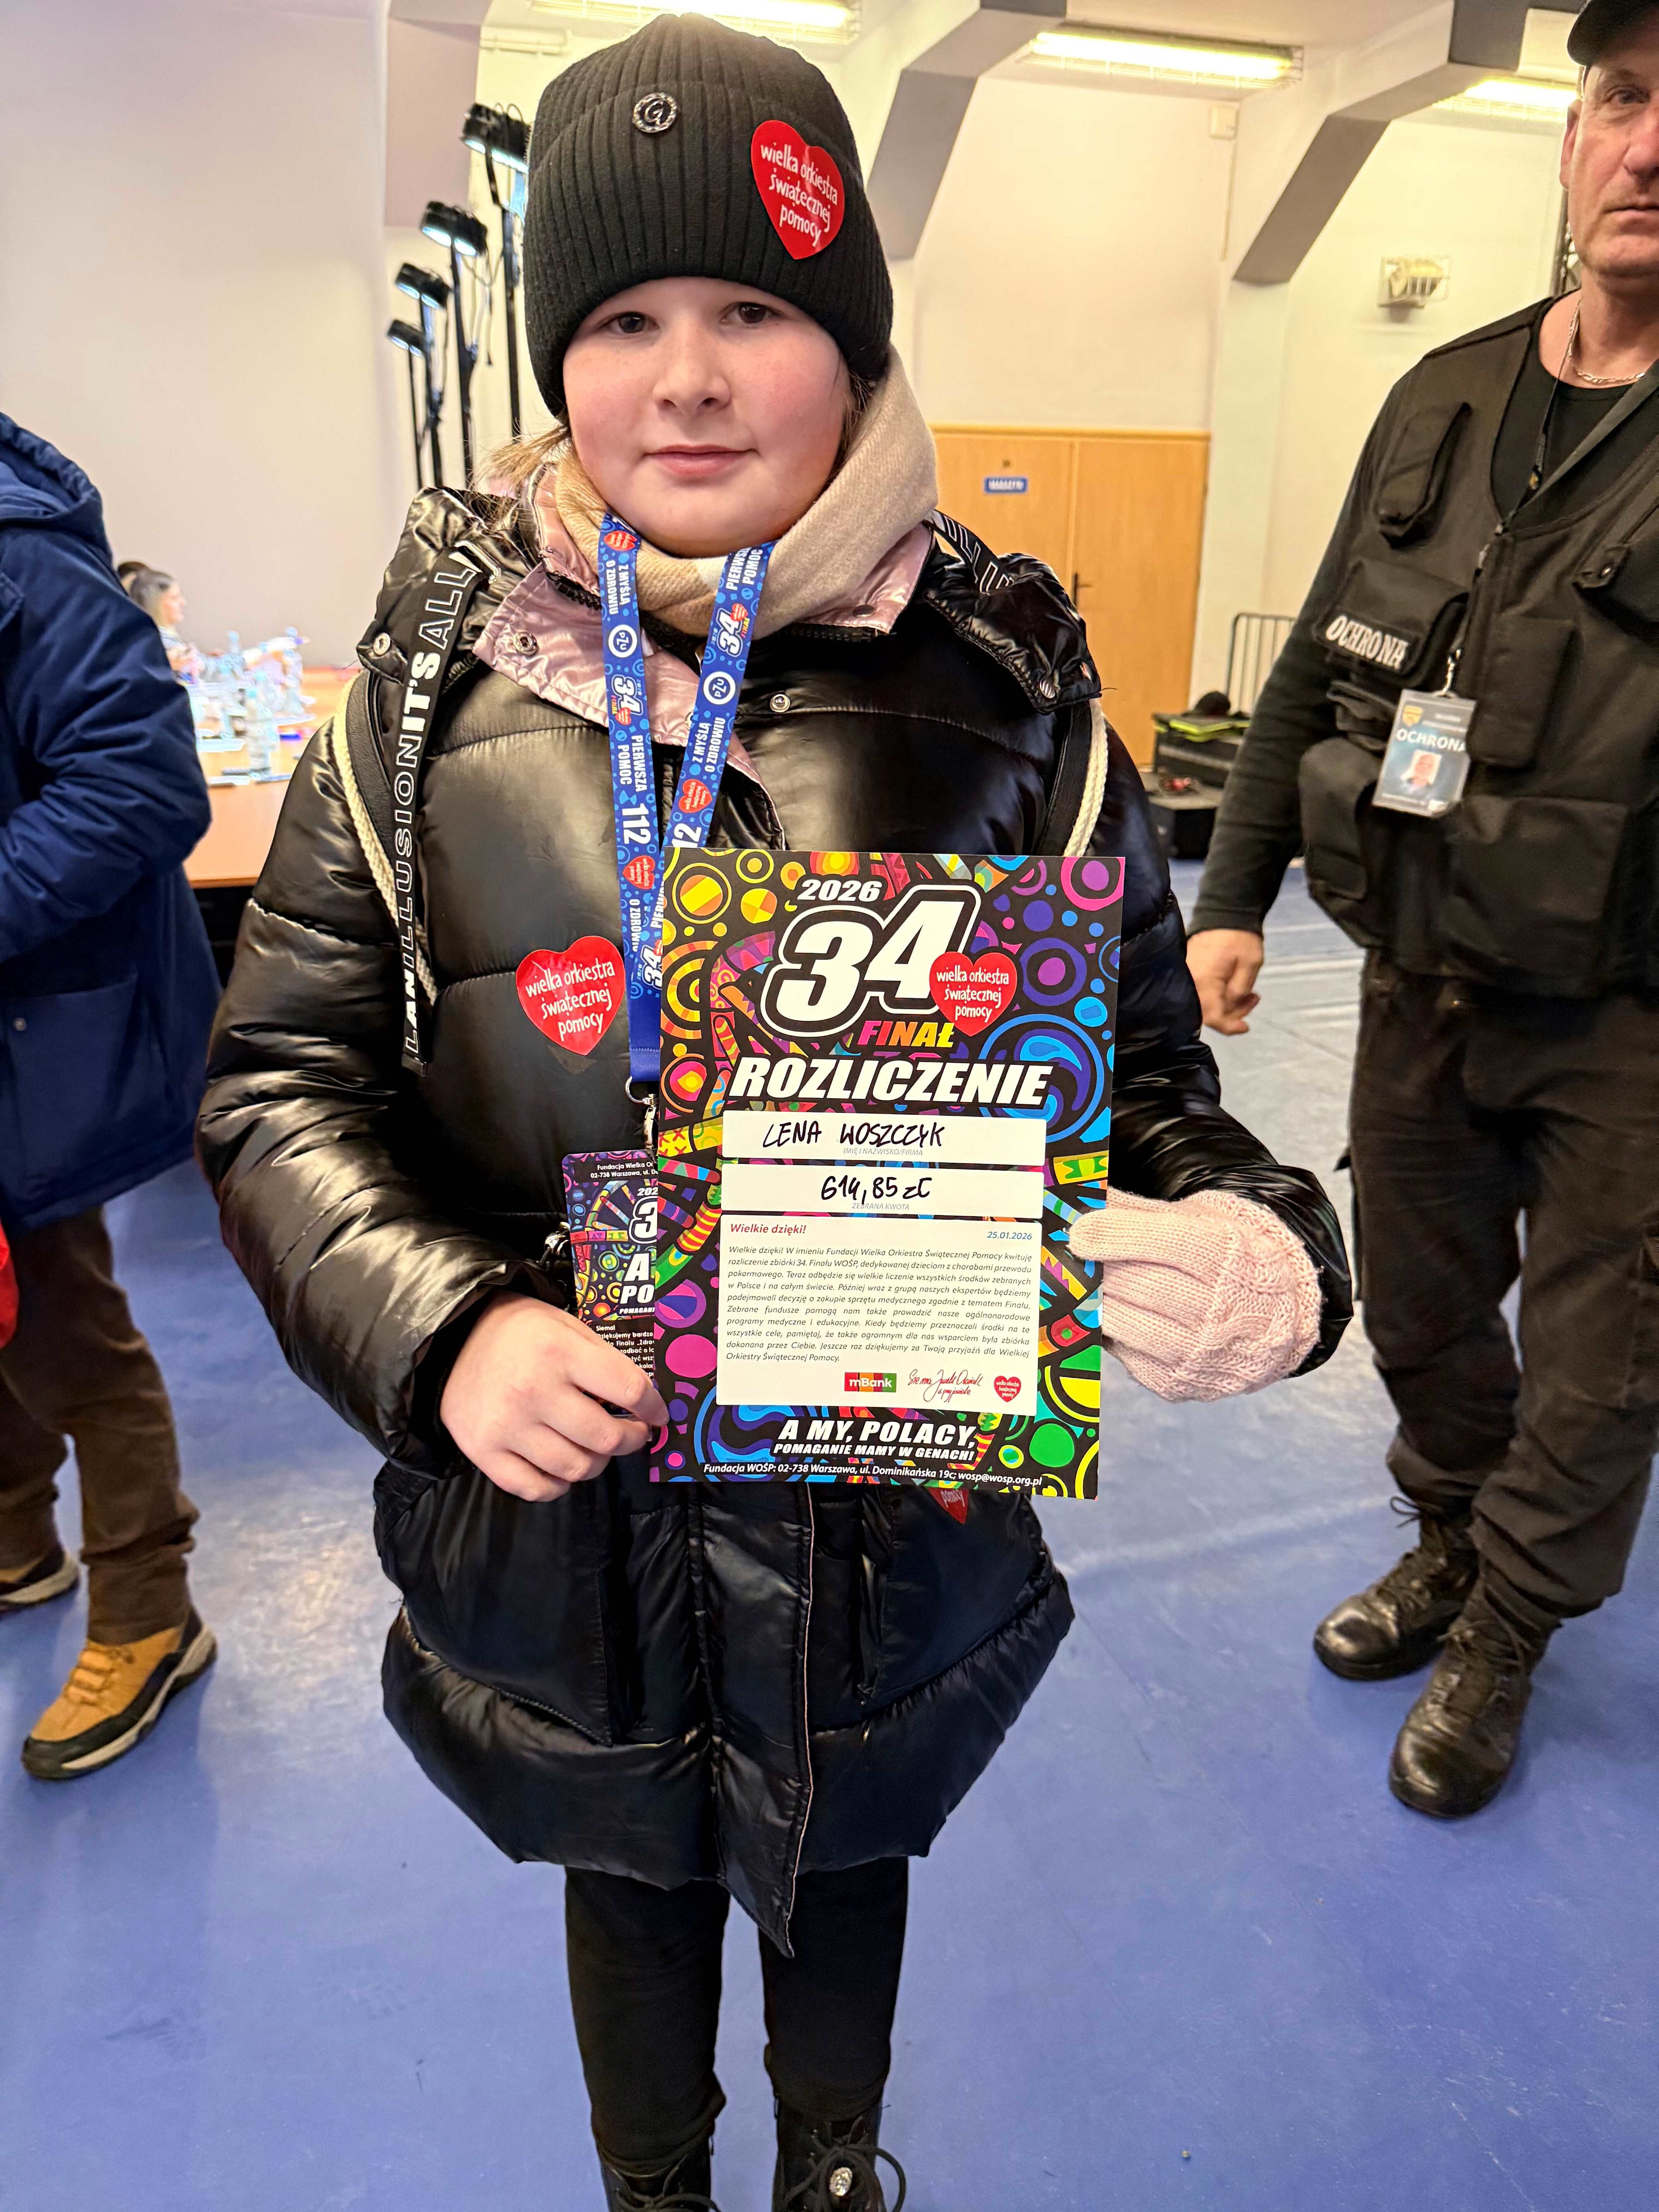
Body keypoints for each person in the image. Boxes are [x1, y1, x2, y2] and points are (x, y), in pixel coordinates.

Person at [199, 19, 1350, 2209]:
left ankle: (836, 2161)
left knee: (853, 1855)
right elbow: (282, 1089)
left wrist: (1269, 1248)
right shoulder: (421, 702)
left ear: (855, 345)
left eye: (755, 309)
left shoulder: (1016, 696)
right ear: (561, 362)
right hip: (573, 1536)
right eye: (625, 320)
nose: (690, 379)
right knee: (626, 1885)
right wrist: (447, 1327)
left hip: (890, 1534)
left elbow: (1149, 1092)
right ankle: (655, 2189)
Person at [1185, 0, 1659, 1824]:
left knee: (1605, 1368)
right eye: (1621, 100)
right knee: (1420, 1306)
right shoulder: (1445, 392)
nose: (1648, 148)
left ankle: (1512, 1628)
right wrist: (1233, 893)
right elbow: (1320, 656)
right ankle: (1454, 1536)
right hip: (1418, 977)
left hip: (1629, 1015)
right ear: (1573, 134)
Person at [0, 414, 221, 1777]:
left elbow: (140, 783)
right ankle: (18, 1536)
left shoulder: (24, 562)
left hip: (33, 1037)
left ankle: (149, 1607)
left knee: (66, 1319)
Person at [120, 560, 194, 674]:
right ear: (155, 604)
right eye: (174, 598)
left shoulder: (163, 640)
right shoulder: (155, 644)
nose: (183, 603)